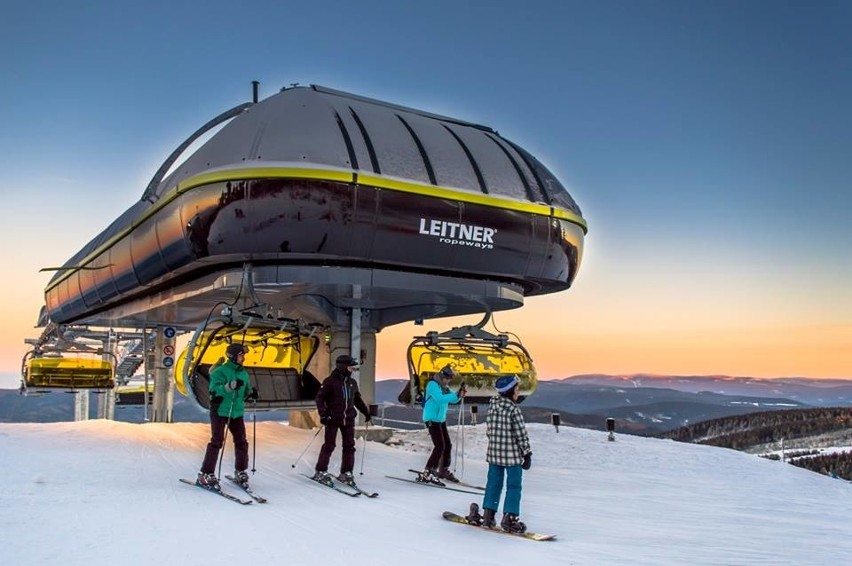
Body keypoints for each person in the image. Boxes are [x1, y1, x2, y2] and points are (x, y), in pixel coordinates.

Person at [468, 374, 532, 533]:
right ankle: (509, 517)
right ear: (511, 391)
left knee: (493, 483)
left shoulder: (493, 407)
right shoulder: (513, 409)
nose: (518, 391)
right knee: (514, 486)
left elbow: (490, 431)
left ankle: (489, 514)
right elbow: (520, 433)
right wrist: (527, 453)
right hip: (512, 456)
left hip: (494, 454)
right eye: (517, 388)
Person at [197, 343, 258, 490]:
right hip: (220, 411)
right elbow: (214, 391)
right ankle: (206, 474)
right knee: (217, 441)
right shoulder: (220, 372)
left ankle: (240, 471)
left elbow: (244, 391)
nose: (243, 358)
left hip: (236, 411)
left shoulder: (243, 373)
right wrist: (229, 386)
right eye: (241, 355)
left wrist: (251, 393)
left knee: (241, 441)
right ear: (233, 356)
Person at [312, 354, 372, 485]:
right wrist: (323, 414)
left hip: (348, 419)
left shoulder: (352, 383)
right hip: (333, 419)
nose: (352, 369)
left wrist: (366, 412)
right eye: (351, 367)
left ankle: (346, 473)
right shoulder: (330, 382)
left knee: (349, 446)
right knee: (329, 445)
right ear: (343, 366)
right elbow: (320, 398)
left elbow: (357, 399)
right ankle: (320, 471)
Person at [417, 365, 466, 485]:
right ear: (443, 376)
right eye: (448, 378)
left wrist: (459, 394)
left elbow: (452, 400)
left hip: (440, 419)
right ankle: (429, 471)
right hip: (431, 419)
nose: (448, 381)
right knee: (439, 446)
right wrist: (455, 395)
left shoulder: (443, 386)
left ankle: (443, 470)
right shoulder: (432, 385)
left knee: (447, 445)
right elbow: (439, 399)